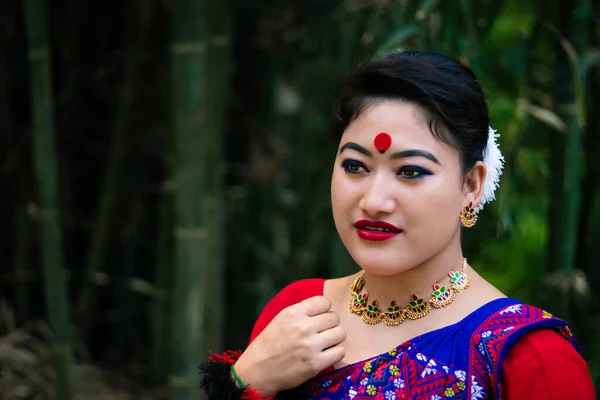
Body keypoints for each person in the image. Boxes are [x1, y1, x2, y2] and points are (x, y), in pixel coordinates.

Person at [199, 50, 596, 399]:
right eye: (355, 166)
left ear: (471, 185)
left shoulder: (529, 356)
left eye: (410, 171)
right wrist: (246, 380)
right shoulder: (299, 313)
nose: (373, 201)